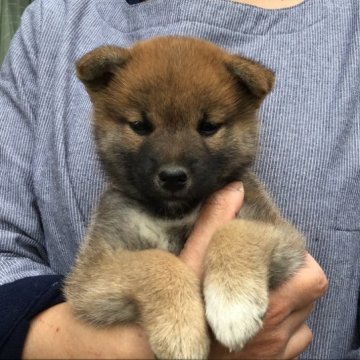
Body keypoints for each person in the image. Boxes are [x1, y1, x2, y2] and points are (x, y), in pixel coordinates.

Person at [1, 0, 357, 358]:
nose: (172, 164)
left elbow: (285, 246)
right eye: (141, 126)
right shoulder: (54, 22)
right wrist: (157, 284)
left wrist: (236, 251)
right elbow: (88, 286)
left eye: (208, 127)